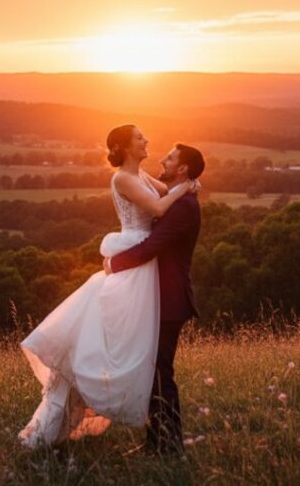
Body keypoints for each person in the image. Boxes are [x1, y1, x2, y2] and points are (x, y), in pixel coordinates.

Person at [18, 124, 197, 448]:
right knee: (112, 346)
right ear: (127, 147)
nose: (147, 141)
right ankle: (69, 417)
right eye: (141, 138)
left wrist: (187, 185)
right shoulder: (123, 178)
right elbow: (159, 207)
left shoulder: (141, 176)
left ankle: (161, 439)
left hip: (143, 267)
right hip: (134, 261)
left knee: (147, 358)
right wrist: (186, 188)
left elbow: (166, 193)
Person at [104, 141, 204, 455]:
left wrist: (114, 263)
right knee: (154, 373)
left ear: (183, 167)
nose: (164, 158)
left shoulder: (184, 207)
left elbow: (153, 246)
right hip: (155, 297)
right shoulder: (176, 196)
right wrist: (188, 185)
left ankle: (169, 447)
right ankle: (157, 443)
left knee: (162, 374)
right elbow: (156, 194)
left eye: (171, 158)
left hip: (170, 301)